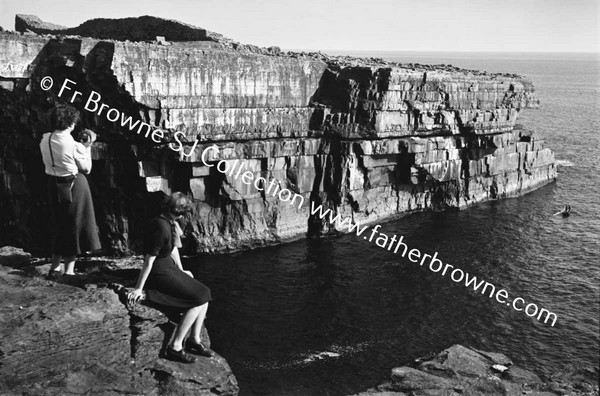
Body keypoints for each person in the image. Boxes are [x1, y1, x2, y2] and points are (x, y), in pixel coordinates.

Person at [127, 192, 214, 363]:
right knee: (198, 298)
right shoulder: (160, 227)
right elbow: (148, 261)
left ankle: (194, 340)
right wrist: (139, 288)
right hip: (158, 272)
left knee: (205, 293)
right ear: (180, 212)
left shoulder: (169, 221)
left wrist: (181, 270)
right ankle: (175, 346)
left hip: (167, 266)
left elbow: (172, 248)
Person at [39, 104, 101, 278]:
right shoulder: (74, 145)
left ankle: (55, 267)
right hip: (74, 184)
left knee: (59, 224)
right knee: (74, 225)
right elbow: (86, 168)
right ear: (71, 123)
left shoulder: (45, 139)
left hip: (54, 184)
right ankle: (69, 271)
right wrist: (87, 147)